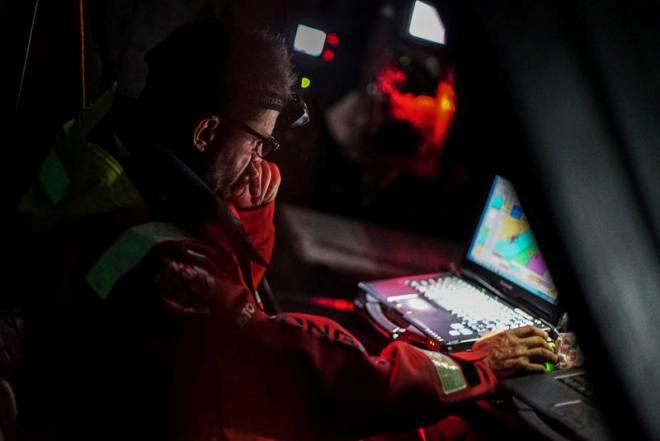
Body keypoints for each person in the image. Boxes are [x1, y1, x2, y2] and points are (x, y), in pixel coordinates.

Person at [18, 20, 557, 441]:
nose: (261, 160)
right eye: (258, 141)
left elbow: (236, 302)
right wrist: (469, 365)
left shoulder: (115, 161)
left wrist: (239, 212)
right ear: (206, 131)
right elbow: (306, 373)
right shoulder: (154, 263)